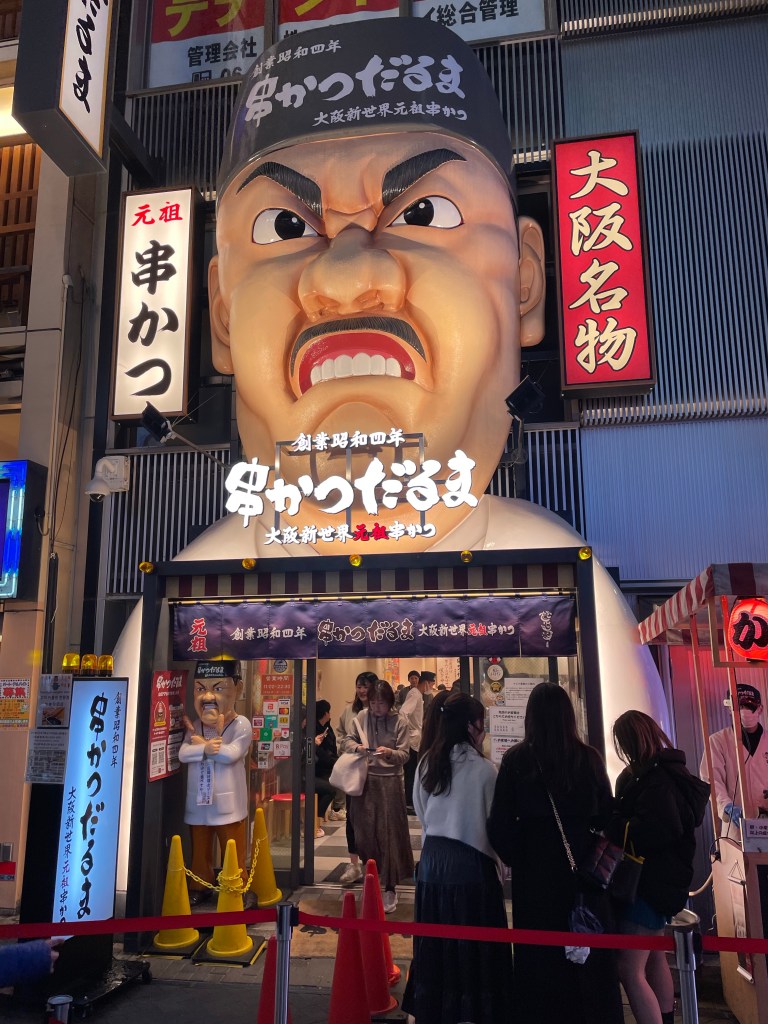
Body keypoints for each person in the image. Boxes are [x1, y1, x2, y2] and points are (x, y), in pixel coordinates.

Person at [115, 17, 668, 786]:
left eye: (423, 214)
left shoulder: (556, 572)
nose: (345, 280)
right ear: (221, 315)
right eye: (284, 227)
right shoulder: (190, 590)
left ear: (525, 280)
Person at [487, 682, 624, 1024]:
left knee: (540, 961)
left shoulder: (517, 760)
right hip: (583, 874)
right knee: (587, 958)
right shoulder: (589, 758)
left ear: (530, 717)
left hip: (535, 878)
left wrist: (521, 858)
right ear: (568, 716)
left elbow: (499, 825)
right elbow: (607, 818)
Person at [404, 693, 510, 1024]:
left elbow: (421, 814)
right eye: (481, 723)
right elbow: (495, 826)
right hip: (472, 868)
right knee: (474, 950)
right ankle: (473, 1013)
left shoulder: (427, 763)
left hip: (432, 866)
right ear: (471, 726)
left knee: (437, 947)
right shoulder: (486, 771)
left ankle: (435, 1009)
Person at [609, 711, 709, 1024]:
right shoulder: (673, 773)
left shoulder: (653, 780)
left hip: (646, 884)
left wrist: (614, 823)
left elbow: (651, 831)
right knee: (654, 959)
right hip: (665, 884)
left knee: (629, 968)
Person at [178, 661, 252, 905]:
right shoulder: (195, 726)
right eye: (200, 689)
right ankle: (200, 884)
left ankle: (237, 886)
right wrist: (206, 749)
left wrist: (205, 748)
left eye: (218, 688)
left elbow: (231, 754)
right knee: (199, 846)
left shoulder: (241, 724)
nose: (208, 697)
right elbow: (183, 754)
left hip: (228, 802)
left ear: (238, 689)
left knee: (231, 846)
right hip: (198, 800)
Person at [342, 679, 413, 912]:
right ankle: (371, 882)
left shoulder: (400, 721)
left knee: (390, 836)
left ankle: (391, 887)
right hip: (365, 782)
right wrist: (358, 748)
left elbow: (405, 754)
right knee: (365, 835)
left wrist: (390, 752)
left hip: (390, 783)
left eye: (381, 703)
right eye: (373, 703)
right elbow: (346, 740)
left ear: (390, 702)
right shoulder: (362, 717)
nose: (376, 708)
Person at [700, 682, 768, 834]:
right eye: (739, 706)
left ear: (760, 709)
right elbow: (711, 780)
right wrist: (726, 806)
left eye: (749, 705)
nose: (744, 711)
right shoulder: (718, 741)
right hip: (736, 826)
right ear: (729, 708)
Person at [337, 669, 378, 885]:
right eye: (359, 686)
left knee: (373, 818)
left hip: (376, 773)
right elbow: (340, 736)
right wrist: (350, 748)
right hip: (353, 771)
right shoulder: (349, 711)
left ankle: (373, 863)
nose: (362, 690)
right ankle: (354, 865)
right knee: (352, 818)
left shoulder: (383, 710)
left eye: (366, 686)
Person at [400, 667, 424, 811]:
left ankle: (411, 801)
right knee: (411, 771)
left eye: (416, 678)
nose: (414, 680)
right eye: (412, 678)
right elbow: (403, 712)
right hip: (412, 739)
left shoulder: (418, 693)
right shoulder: (414, 693)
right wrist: (408, 729)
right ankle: (409, 802)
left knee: (413, 771)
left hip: (415, 737)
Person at [314, 699, 338, 825]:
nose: (330, 714)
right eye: (328, 711)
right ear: (325, 713)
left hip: (328, 764)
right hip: (319, 768)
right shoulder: (314, 729)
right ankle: (316, 818)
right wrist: (334, 761)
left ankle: (318, 817)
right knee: (330, 788)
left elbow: (332, 747)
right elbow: (320, 753)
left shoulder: (327, 727)